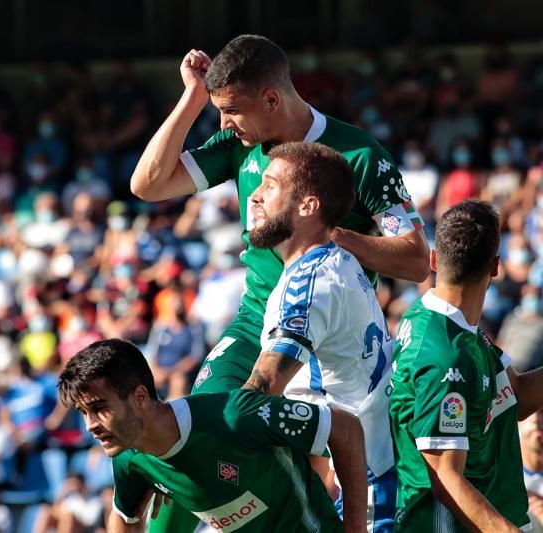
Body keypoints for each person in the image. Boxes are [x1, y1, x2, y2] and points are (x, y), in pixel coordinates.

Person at [130, 34, 428, 532]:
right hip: (255, 324)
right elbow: (148, 184)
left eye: (230, 110)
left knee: (331, 462)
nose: (223, 124)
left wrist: (333, 235)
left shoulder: (358, 156)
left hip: (329, 337)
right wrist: (193, 98)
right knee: (191, 427)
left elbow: (417, 261)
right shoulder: (240, 145)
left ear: (271, 99)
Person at [57, 338, 369, 532]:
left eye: (99, 408)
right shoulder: (128, 457)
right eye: (83, 413)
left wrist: (355, 528)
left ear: (140, 397)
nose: (90, 425)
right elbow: (124, 516)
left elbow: (344, 429)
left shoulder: (234, 416)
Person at [241, 142, 396, 531]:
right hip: (375, 479)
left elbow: (260, 390)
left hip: (367, 498)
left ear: (308, 206)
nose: (255, 196)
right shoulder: (339, 262)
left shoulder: (307, 285)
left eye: (270, 186)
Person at [389, 200, 543, 531]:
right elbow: (446, 477)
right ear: (495, 267)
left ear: (434, 259)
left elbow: (512, 394)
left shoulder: (452, 327)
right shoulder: (445, 356)